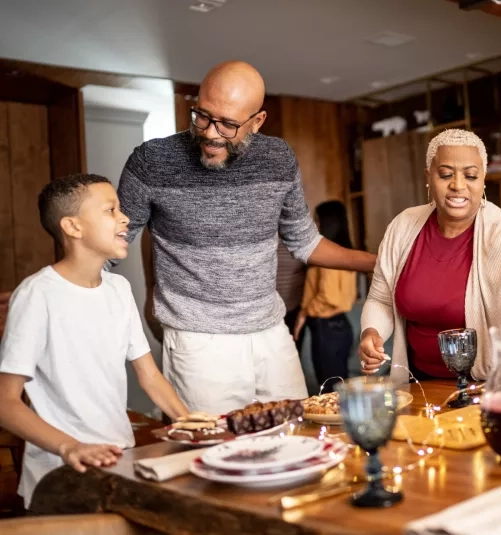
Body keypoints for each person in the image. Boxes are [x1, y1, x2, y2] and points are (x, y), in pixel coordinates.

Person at [116, 61, 375, 414]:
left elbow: (304, 241)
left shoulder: (278, 159)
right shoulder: (152, 162)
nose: (210, 133)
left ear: (257, 121)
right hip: (198, 341)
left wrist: (379, 263)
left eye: (228, 124)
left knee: (295, 438)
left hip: (271, 332)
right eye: (202, 116)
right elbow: (111, 242)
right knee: (213, 452)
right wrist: (51, 287)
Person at [0, 174, 189, 509]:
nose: (125, 218)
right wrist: (69, 446)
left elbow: (149, 376)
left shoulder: (119, 289)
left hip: (119, 458)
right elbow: (6, 404)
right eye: (110, 210)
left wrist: (189, 421)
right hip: (59, 472)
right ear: (73, 227)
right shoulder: (36, 295)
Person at [359, 129, 501, 384]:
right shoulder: (402, 227)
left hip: (490, 386)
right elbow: (381, 298)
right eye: (445, 174)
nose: (458, 185)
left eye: (471, 175)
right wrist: (372, 332)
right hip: (419, 385)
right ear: (429, 177)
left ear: (483, 179)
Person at [293, 201, 357, 393]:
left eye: (317, 220)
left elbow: (329, 297)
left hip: (326, 327)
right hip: (341, 326)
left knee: (329, 391)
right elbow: (347, 298)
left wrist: (304, 313)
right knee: (339, 389)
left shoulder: (327, 258)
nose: (314, 226)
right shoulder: (348, 253)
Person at [276, 241, 307, 353]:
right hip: (270, 312)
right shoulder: (268, 243)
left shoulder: (300, 245)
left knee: (293, 353)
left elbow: (310, 277)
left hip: (294, 309)